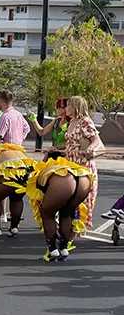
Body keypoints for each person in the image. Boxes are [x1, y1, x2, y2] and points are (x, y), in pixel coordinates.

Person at [64, 96, 101, 229]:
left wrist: (91, 148)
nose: (66, 108)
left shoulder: (85, 121)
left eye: (68, 105)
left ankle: (79, 223)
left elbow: (96, 139)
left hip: (82, 163)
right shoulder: (72, 121)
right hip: (70, 162)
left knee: (82, 197)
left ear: (75, 106)